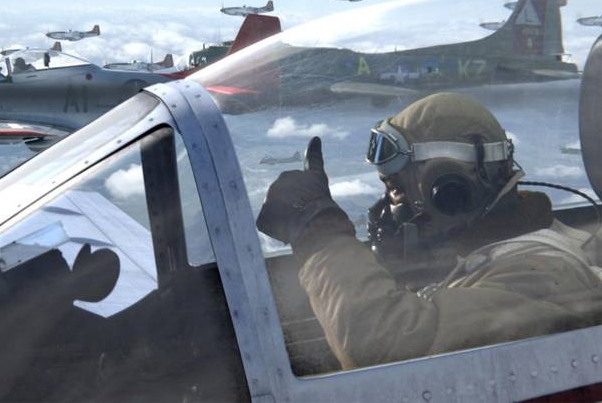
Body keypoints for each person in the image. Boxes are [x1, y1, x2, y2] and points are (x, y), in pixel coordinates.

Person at [257, 92, 602, 370]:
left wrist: (319, 233)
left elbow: (388, 352)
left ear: (450, 191)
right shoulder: (480, 257)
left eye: (396, 189)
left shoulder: (543, 274)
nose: (388, 210)